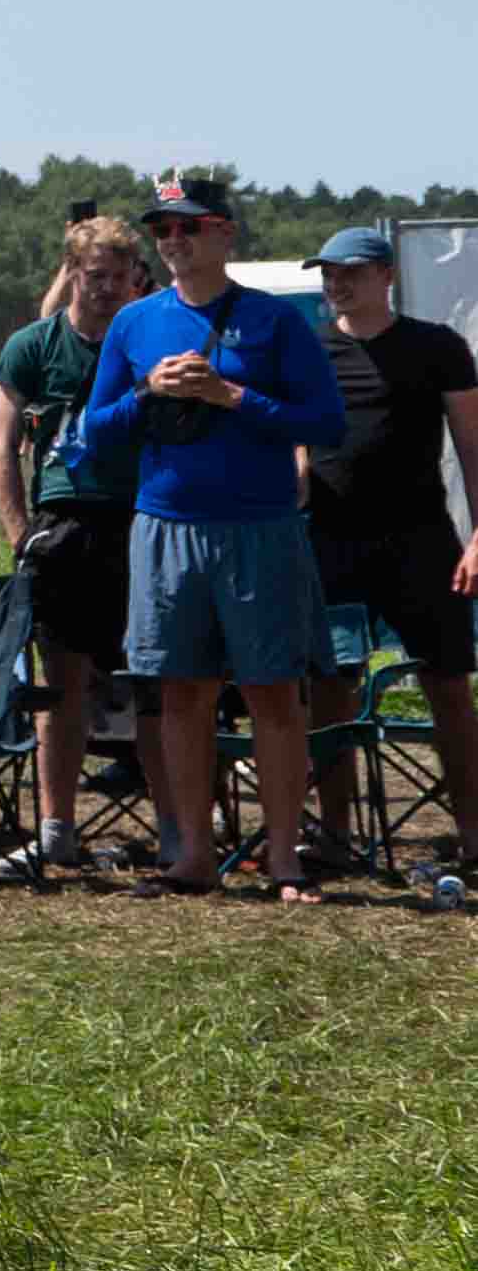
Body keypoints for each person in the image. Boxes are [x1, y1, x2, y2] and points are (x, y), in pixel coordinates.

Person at [74, 174, 351, 899]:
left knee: (271, 694)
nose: (173, 241)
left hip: (258, 527)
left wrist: (230, 395)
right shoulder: (135, 324)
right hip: (164, 528)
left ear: (224, 232)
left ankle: (285, 856)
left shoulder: (273, 321)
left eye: (188, 227)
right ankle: (192, 856)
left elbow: (325, 424)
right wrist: (148, 393)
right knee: (181, 693)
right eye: (161, 230)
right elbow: (90, 436)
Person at [0, 218, 166, 879]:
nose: (107, 289)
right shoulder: (34, 345)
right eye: (95, 276)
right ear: (71, 272)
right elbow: (0, 446)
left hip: (141, 520)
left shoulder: (147, 340)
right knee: (58, 685)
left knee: (153, 683)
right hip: (62, 524)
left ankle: (174, 828)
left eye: (119, 277)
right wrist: (16, 532)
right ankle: (55, 828)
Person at [306, 226, 477, 867]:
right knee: (329, 686)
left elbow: (472, 444)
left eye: (349, 271)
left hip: (421, 538)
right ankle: (335, 835)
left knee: (450, 688)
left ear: (386, 275)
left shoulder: (437, 346)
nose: (336, 283)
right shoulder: (310, 349)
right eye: (327, 272)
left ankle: (473, 833)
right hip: (330, 540)